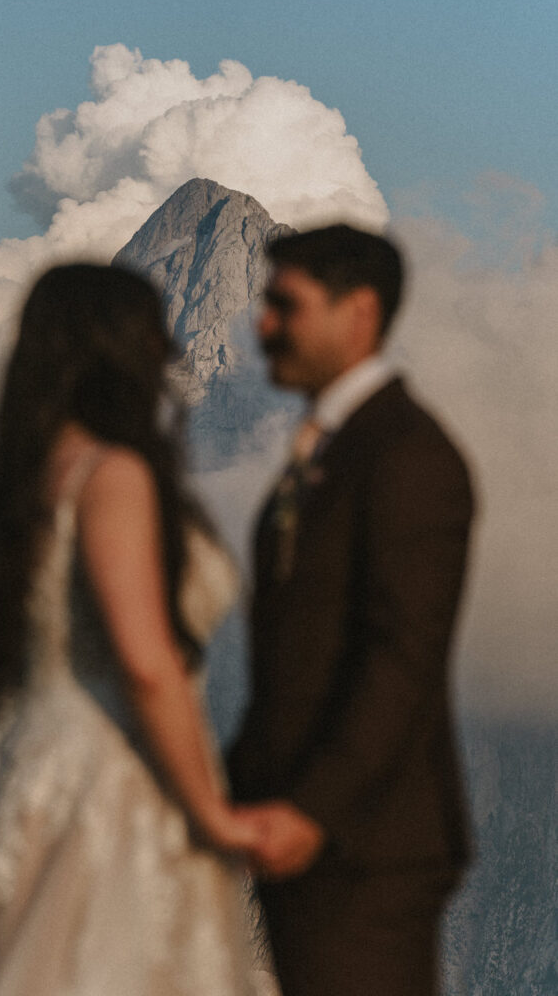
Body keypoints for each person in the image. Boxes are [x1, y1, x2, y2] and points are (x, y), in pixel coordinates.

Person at [0, 263, 279, 996]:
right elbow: (146, 660)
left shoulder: (31, 477)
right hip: (111, 779)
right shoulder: (114, 475)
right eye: (152, 337)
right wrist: (213, 815)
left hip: (29, 770)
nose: (167, 356)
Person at [228, 225, 475, 996]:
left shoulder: (407, 455)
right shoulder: (338, 450)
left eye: (283, 305)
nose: (262, 324)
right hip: (309, 839)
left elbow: (402, 658)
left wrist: (308, 810)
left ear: (358, 311)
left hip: (365, 846)